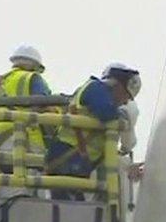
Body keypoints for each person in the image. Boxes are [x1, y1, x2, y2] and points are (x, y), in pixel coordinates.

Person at [46, 63, 141, 200]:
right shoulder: (96, 88)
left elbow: (104, 150)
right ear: (117, 86)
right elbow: (105, 112)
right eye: (127, 95)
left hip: (72, 159)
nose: (126, 102)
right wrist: (122, 115)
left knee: (74, 208)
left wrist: (127, 166)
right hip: (68, 158)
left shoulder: (98, 92)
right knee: (71, 209)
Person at [0, 45, 53, 197]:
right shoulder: (32, 78)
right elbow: (46, 105)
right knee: (25, 187)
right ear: (35, 66)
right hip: (18, 141)